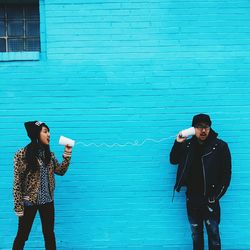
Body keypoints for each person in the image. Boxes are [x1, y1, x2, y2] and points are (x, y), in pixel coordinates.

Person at [170, 114, 231, 250]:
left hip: (210, 199)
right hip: (192, 198)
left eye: (206, 127)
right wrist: (178, 142)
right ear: (193, 128)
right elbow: (173, 160)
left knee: (213, 235)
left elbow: (226, 174)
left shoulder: (220, 146)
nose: (203, 131)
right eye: (199, 127)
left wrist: (215, 196)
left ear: (210, 128)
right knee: (196, 235)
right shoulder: (187, 145)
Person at [12, 121, 73, 250]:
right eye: (45, 131)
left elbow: (60, 171)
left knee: (49, 235)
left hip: (47, 201)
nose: (49, 134)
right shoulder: (22, 154)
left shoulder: (49, 155)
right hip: (29, 202)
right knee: (22, 236)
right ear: (36, 134)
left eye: (49, 131)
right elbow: (17, 182)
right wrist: (18, 206)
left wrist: (67, 154)